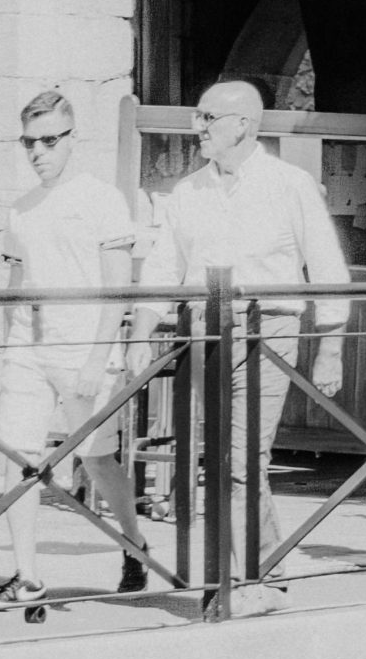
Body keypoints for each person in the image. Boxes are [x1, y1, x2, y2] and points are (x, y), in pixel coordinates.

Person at [135, 80, 351, 592]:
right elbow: (163, 266)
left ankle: (255, 578)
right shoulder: (188, 191)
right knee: (221, 456)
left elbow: (326, 265)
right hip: (203, 331)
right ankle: (256, 574)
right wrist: (140, 335)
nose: (197, 127)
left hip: (267, 330)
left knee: (243, 459)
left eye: (207, 117)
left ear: (243, 125)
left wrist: (331, 348)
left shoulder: (289, 184)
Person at [0, 89, 146, 604]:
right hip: (29, 348)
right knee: (18, 456)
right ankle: (27, 574)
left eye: (49, 140)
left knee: (98, 459)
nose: (38, 152)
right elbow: (16, 284)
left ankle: (133, 544)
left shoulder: (101, 199)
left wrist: (98, 358)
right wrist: (8, 348)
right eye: (29, 142)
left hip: (83, 348)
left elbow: (117, 287)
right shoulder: (21, 208)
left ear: (71, 138)